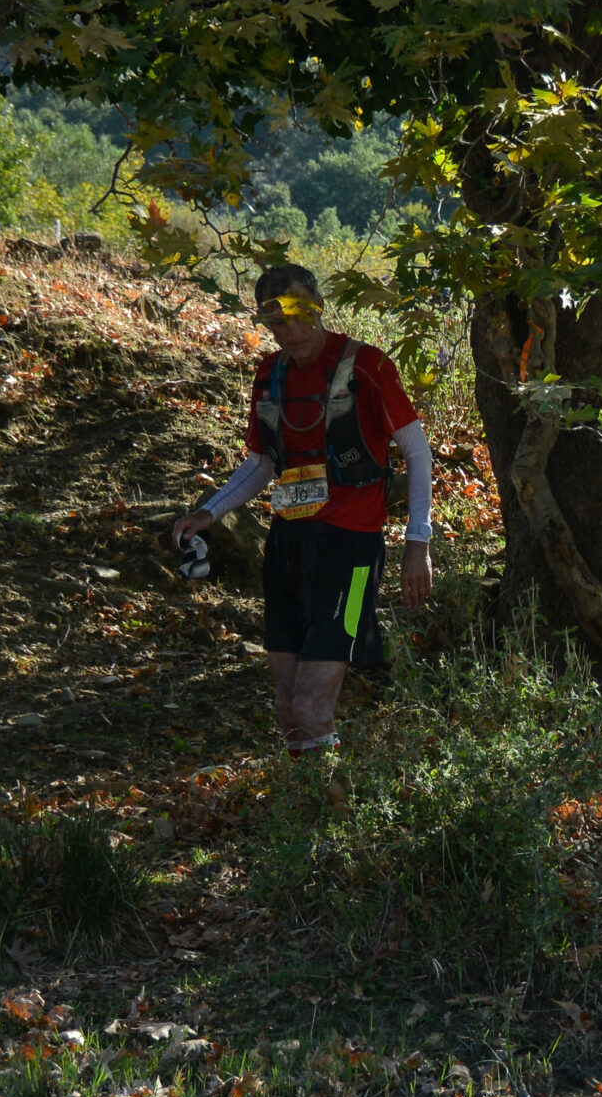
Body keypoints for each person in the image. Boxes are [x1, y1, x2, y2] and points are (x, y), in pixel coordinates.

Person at [172, 265, 435, 757]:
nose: (289, 332)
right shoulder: (268, 375)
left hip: (353, 551)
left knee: (312, 706)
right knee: (288, 709)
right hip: (287, 549)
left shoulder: (368, 366)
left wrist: (417, 542)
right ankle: (313, 812)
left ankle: (331, 824)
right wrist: (210, 511)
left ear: (317, 304)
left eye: (298, 315)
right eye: (275, 322)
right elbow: (261, 462)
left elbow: (417, 455)